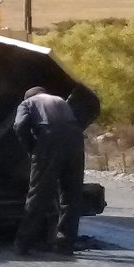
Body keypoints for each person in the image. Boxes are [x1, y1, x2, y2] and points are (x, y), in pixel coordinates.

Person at [13, 86, 86, 255]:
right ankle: (65, 244)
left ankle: (23, 244)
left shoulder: (28, 103)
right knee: (71, 194)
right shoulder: (59, 100)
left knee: (38, 194)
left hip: (50, 138)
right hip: (76, 140)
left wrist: (32, 148)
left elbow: (19, 125)